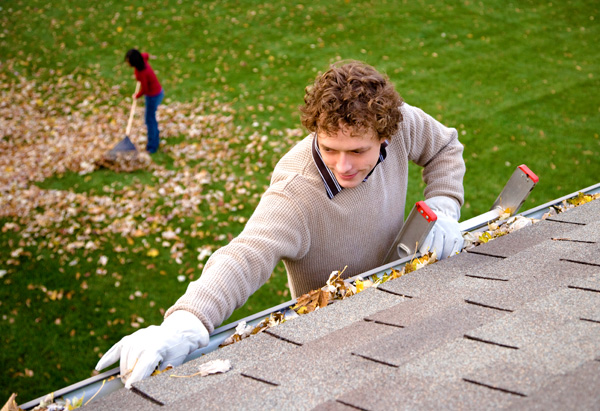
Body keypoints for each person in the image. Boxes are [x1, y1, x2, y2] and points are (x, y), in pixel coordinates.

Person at [96, 60, 466, 387]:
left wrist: (443, 206)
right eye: (329, 148)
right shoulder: (297, 191)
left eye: (357, 151)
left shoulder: (400, 125)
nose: (343, 165)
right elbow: (247, 253)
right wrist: (187, 323)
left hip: (404, 298)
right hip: (336, 339)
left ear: (384, 135)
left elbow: (444, 147)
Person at [125, 49, 164, 154]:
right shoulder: (143, 59)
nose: (127, 62)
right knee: (150, 118)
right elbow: (146, 55)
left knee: (149, 120)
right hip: (157, 91)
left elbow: (145, 89)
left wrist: (136, 96)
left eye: (128, 61)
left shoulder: (141, 73)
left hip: (153, 95)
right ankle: (155, 138)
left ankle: (152, 146)